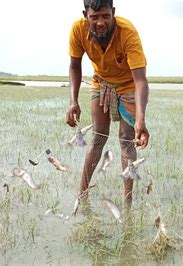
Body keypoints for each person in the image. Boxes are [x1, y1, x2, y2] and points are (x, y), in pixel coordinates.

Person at [66, 0, 150, 207]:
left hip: (128, 85)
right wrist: (73, 101)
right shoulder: (78, 30)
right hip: (101, 82)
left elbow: (140, 80)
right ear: (86, 14)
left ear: (113, 12)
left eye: (105, 16)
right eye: (94, 17)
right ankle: (82, 195)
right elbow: (74, 66)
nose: (100, 23)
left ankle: (127, 202)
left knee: (126, 139)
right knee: (98, 138)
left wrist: (140, 120)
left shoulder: (127, 32)